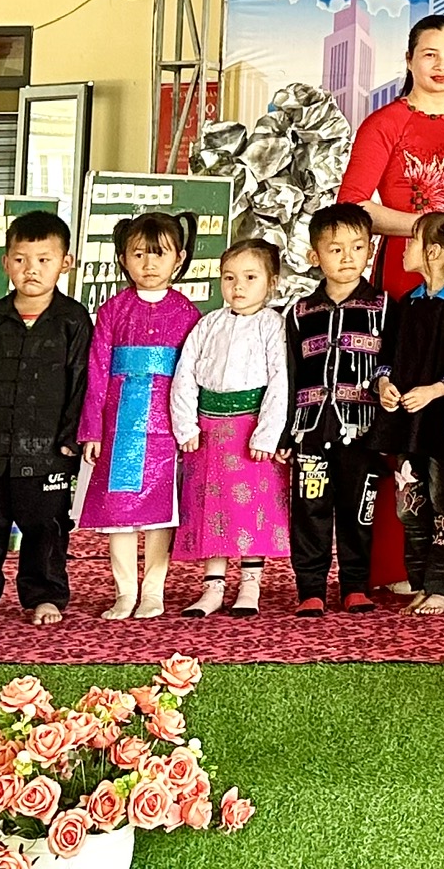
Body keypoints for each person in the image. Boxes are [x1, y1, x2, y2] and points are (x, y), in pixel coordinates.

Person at [0, 210, 89, 628]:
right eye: (22, 259)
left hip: (48, 450)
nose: (32, 269)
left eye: (44, 260)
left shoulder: (73, 320)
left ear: (65, 262)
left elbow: (82, 380)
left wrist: (73, 437)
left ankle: (44, 596)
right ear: (6, 262)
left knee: (46, 525)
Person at [77, 212, 199, 620]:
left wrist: (189, 426)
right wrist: (92, 430)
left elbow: (192, 375)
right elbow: (96, 371)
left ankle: (154, 591)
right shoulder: (112, 310)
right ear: (123, 259)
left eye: (159, 254)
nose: (149, 263)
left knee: (162, 512)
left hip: (166, 427)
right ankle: (124, 591)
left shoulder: (187, 314)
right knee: (119, 511)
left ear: (179, 258)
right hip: (118, 426)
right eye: (139, 254)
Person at [169, 240, 293, 620]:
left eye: (250, 278)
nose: (238, 286)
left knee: (252, 509)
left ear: (271, 282)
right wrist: (186, 425)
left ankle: (250, 583)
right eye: (229, 278)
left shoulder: (273, 326)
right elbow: (184, 375)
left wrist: (267, 434)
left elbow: (281, 382)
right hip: (208, 432)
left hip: (250, 430)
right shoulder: (208, 325)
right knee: (212, 509)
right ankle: (213, 586)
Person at [373, 212, 444, 614]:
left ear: (434, 252)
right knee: (410, 505)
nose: (404, 249)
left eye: (412, 241)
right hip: (408, 424)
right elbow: (388, 356)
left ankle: (442, 585)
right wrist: (384, 384)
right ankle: (420, 579)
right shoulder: (407, 303)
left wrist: (436, 389)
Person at [337, 14, 444, 295]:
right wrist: (429, 227)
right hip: (406, 266)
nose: (442, 65)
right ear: (409, 60)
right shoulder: (384, 123)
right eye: (430, 54)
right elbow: (352, 205)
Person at [285, 202, 390, 617]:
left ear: (370, 250)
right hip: (310, 428)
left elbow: (393, 364)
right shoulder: (300, 312)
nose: (348, 257)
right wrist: (284, 433)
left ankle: (355, 585)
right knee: (309, 509)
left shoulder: (384, 306)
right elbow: (290, 375)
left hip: (362, 428)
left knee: (358, 508)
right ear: (315, 255)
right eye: (335, 249)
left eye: (357, 247)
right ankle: (310, 588)